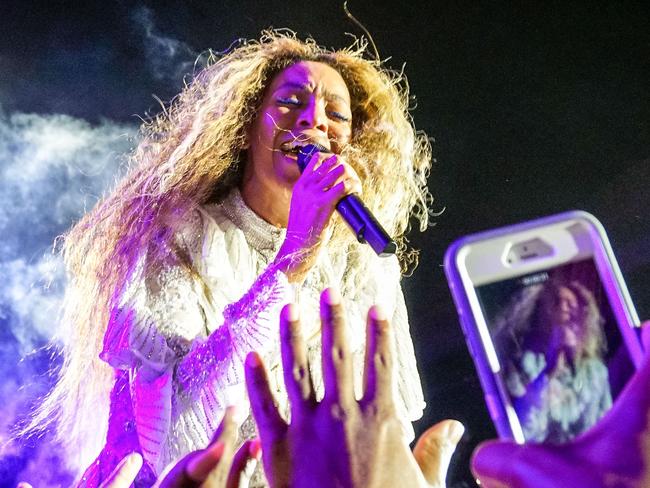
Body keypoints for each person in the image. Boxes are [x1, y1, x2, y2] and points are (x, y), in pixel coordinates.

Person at [24, 31, 433, 486]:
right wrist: (294, 257)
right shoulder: (179, 238)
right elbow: (177, 441)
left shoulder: (364, 264)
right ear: (245, 130)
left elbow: (384, 440)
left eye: (336, 113)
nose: (314, 119)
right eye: (290, 102)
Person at [496, 279, 611, 443]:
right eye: (557, 302)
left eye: (571, 305)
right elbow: (522, 432)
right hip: (542, 463)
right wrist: (548, 372)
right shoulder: (524, 365)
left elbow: (608, 426)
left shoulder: (596, 372)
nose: (564, 308)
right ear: (541, 315)